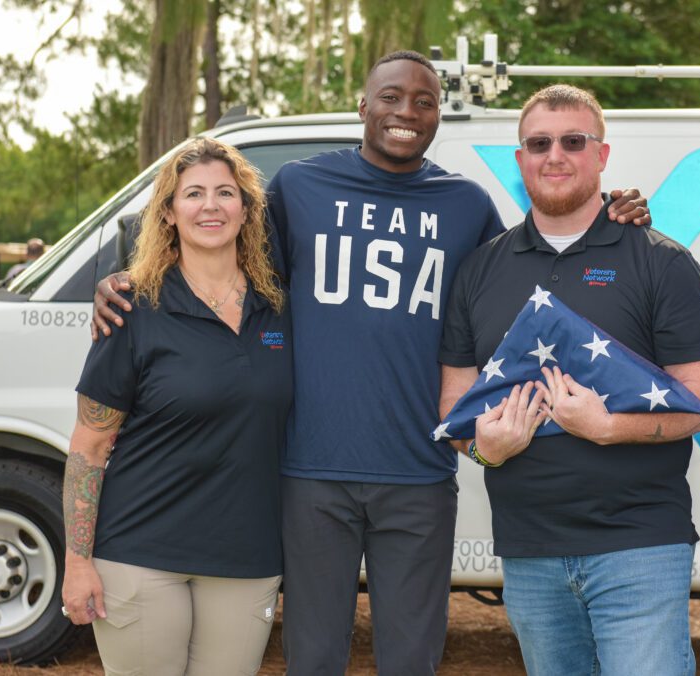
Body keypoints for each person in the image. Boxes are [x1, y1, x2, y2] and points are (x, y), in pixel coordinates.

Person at [90, 52, 648, 675]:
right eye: (391, 97)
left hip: (417, 473)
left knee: (412, 658)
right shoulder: (301, 187)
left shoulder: (463, 204)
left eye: (424, 101)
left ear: (438, 116)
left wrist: (610, 214)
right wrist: (126, 280)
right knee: (314, 655)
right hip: (309, 474)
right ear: (363, 106)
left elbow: (529, 266)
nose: (406, 112)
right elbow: (220, 247)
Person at [438, 84, 700, 676]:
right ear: (519, 160)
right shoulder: (479, 270)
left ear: (601, 155)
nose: (555, 155)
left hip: (640, 547)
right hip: (529, 551)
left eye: (574, 141)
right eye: (539, 143)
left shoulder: (661, 260)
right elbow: (456, 408)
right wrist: (485, 450)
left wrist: (606, 427)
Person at [62, 138, 292, 676]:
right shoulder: (131, 309)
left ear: (246, 209)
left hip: (246, 559)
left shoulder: (281, 306)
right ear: (168, 213)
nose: (210, 206)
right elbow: (89, 445)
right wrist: (77, 562)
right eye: (193, 194)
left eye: (225, 193)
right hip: (139, 554)